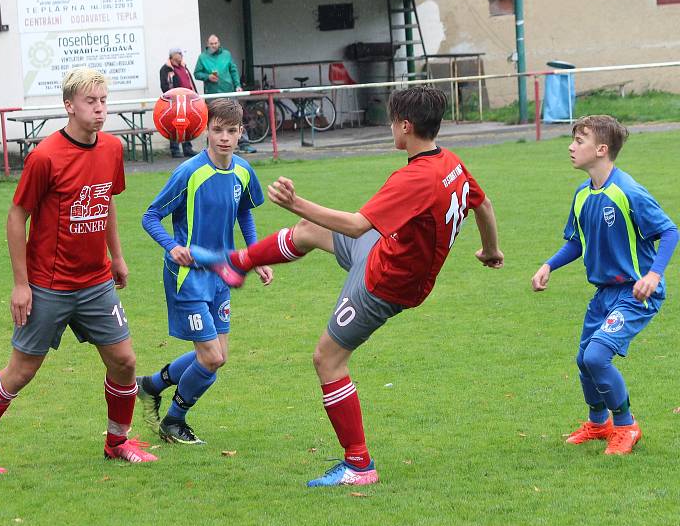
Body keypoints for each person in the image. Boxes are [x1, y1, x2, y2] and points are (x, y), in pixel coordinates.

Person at [193, 86, 504, 486]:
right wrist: (491, 249)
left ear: (405, 127)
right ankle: (238, 264)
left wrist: (295, 202)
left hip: (386, 283)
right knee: (309, 231)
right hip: (384, 250)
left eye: (392, 121)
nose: (391, 127)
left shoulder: (416, 178)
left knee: (328, 359)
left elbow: (357, 224)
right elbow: (485, 204)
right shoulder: (451, 163)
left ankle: (359, 465)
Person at [0, 67, 158, 473]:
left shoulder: (112, 150)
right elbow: (17, 217)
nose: (100, 109)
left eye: (104, 101)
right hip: (49, 285)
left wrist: (116, 256)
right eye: (91, 102)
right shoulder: (45, 156)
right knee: (22, 371)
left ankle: (117, 441)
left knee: (125, 361)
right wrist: (21, 284)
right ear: (69, 106)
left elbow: (105, 201)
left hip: (96, 280)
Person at [531, 115, 677, 455]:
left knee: (597, 356)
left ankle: (627, 426)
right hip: (604, 294)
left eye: (579, 141)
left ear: (601, 149)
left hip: (636, 292)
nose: (571, 147)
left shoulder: (628, 191)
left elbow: (670, 231)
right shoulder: (583, 194)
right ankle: (598, 423)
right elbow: (577, 242)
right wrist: (549, 265)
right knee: (584, 360)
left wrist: (653, 274)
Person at [137, 98, 272, 445]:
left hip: (221, 275)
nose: (224, 137)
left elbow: (245, 213)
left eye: (231, 130)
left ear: (241, 132)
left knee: (217, 357)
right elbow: (150, 216)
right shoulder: (189, 172)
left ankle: (151, 385)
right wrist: (172, 246)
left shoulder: (243, 170)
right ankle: (173, 422)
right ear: (205, 131)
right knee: (210, 358)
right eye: (217, 130)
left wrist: (255, 256)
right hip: (188, 277)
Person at [193, 34, 256, 153]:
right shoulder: (202, 57)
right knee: (214, 120)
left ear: (219, 43)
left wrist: (237, 85)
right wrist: (207, 77)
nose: (214, 46)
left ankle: (243, 143)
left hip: (228, 91)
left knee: (236, 117)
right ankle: (213, 147)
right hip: (213, 94)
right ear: (208, 44)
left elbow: (233, 70)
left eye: (215, 43)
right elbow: (197, 73)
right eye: (211, 44)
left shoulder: (226, 54)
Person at [160, 47, 197, 159]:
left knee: (188, 124)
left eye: (181, 53)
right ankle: (175, 149)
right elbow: (164, 86)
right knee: (175, 125)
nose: (181, 55)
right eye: (179, 53)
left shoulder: (184, 67)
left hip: (188, 101)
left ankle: (187, 148)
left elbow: (190, 82)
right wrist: (174, 97)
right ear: (173, 55)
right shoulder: (165, 69)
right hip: (175, 102)